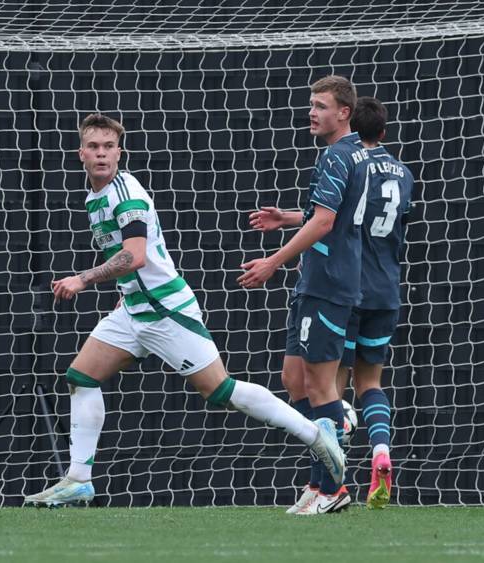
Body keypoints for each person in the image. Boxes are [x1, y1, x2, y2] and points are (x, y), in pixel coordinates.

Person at [24, 113, 345, 508]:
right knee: (81, 376)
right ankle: (79, 479)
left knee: (221, 390)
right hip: (134, 311)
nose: (102, 154)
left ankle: (317, 435)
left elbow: (135, 257)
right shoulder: (96, 196)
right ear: (81, 154)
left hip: (165, 309)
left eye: (109, 147)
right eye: (94, 147)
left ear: (120, 153)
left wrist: (82, 279)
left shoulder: (127, 196)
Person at [241, 76, 370, 515]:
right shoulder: (356, 153)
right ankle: (323, 467)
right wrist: (289, 217)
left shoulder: (338, 154)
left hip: (328, 284)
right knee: (293, 380)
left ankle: (332, 485)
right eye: (310, 105)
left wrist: (272, 261)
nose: (312, 112)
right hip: (317, 281)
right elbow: (330, 214)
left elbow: (325, 224)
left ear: (344, 113)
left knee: (317, 385)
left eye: (320, 106)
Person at [335, 97, 414, 509]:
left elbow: (333, 219)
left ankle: (334, 480)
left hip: (350, 288)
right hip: (387, 289)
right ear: (383, 132)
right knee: (371, 383)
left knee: (334, 384)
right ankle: (381, 450)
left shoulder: (349, 163)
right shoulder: (404, 172)